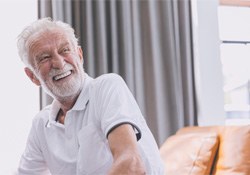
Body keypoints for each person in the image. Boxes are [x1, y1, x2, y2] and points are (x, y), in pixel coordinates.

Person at [16, 17, 164, 175]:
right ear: (32, 76)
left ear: (79, 55)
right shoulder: (41, 124)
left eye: (65, 50)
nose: (59, 63)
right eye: (45, 58)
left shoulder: (106, 87)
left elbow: (131, 164)